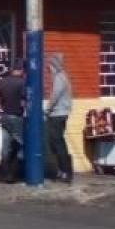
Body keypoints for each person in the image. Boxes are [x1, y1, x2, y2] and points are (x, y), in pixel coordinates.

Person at [46, 52, 74, 184]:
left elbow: (55, 95)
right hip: (61, 113)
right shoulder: (63, 76)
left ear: (54, 65)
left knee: (58, 143)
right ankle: (63, 171)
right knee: (57, 143)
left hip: (57, 114)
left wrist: (48, 109)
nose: (48, 69)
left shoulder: (59, 77)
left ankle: (66, 171)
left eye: (50, 66)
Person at [0, 62, 26, 183]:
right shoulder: (22, 82)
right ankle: (12, 174)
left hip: (5, 116)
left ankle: (3, 173)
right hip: (16, 116)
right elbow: (24, 100)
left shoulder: (3, 81)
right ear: (20, 70)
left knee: (5, 146)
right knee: (22, 145)